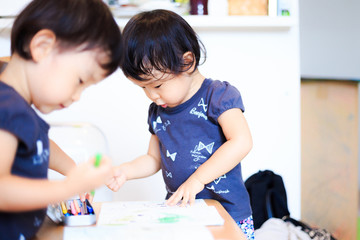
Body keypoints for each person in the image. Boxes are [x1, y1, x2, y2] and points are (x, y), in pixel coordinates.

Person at [107, 9, 254, 239]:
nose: (151, 95)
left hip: (228, 213)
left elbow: (241, 141)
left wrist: (197, 180)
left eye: (156, 85)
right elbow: (153, 159)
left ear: (186, 62)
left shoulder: (218, 95)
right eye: (142, 88)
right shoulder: (157, 111)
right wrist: (125, 170)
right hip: (183, 214)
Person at [0, 0, 123, 239]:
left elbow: (39, 145)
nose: (77, 97)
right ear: (42, 47)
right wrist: (68, 187)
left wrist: (75, 171)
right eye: (79, 81)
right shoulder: (6, 107)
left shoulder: (18, 107)